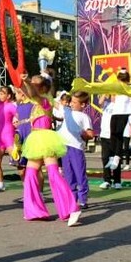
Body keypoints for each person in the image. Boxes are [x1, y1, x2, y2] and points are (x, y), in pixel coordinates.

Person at [19, 73, 81, 226]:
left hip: (44, 139)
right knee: (30, 174)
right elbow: (24, 91)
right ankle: (35, 211)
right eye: (32, 83)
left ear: (44, 88)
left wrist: (26, 81)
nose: (32, 85)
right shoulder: (39, 99)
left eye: (36, 83)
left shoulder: (44, 99)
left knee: (53, 173)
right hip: (36, 139)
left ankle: (71, 208)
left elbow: (31, 92)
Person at [56, 91, 95, 210]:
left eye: (74, 102)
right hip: (64, 147)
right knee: (68, 175)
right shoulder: (66, 111)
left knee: (79, 174)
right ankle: (72, 199)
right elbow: (54, 103)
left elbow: (90, 133)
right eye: (71, 101)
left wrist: (83, 134)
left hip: (76, 148)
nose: (71, 104)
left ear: (83, 105)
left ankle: (83, 199)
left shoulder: (84, 117)